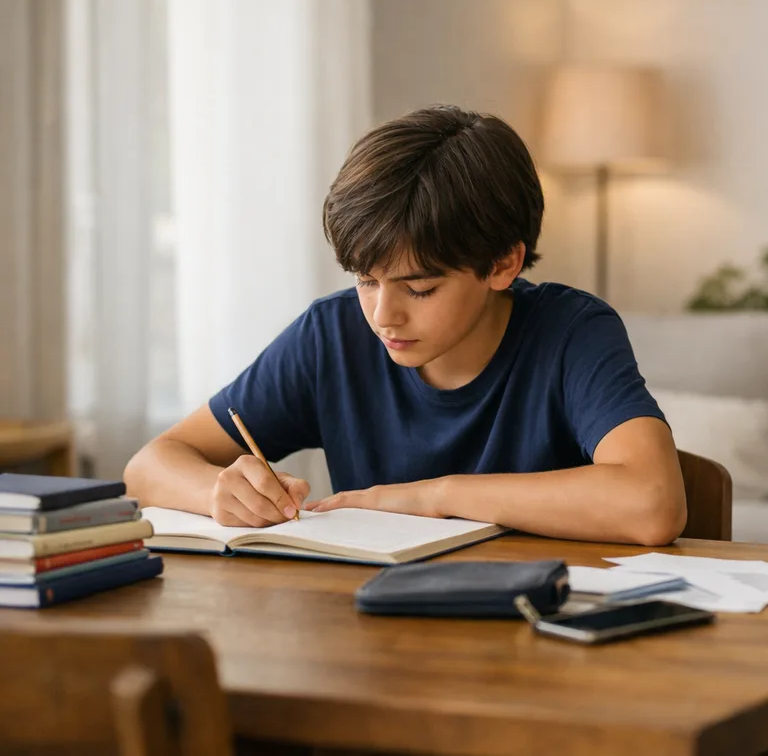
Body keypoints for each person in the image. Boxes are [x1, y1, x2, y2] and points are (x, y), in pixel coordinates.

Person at [124, 105, 687, 547]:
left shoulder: (571, 332)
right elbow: (149, 465)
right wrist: (220, 492)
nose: (382, 316)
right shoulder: (332, 336)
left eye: (419, 288)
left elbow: (652, 502)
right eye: (366, 281)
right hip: (376, 633)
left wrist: (433, 497)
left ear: (503, 265)